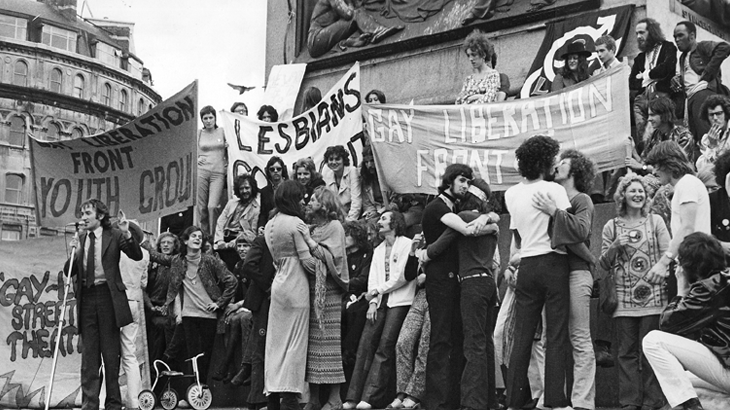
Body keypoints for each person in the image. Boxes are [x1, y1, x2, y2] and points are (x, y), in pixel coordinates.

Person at [504, 135, 572, 410]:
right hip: (553, 262)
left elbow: (518, 235)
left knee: (522, 334)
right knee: (554, 334)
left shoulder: (510, 194)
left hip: (527, 264)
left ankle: (513, 401)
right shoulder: (553, 190)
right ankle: (555, 401)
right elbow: (567, 224)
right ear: (545, 161)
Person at [420, 179, 500, 410]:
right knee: (485, 343)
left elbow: (437, 247)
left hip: (471, 284)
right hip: (488, 284)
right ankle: (489, 400)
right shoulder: (490, 221)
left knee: (472, 345)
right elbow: (494, 223)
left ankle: (472, 403)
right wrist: (490, 220)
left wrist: (423, 254)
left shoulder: (463, 217)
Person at [599, 174, 671, 410]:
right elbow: (604, 263)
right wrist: (615, 246)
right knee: (626, 352)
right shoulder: (612, 226)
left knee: (650, 349)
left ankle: (653, 400)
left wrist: (659, 271)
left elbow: (668, 253)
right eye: (633, 191)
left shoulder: (656, 221)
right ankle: (629, 401)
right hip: (623, 298)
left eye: (641, 191)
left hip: (654, 296)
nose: (638, 195)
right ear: (623, 196)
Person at [532, 150, 597, 410]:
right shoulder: (550, 196)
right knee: (550, 337)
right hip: (553, 273)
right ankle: (551, 397)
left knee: (579, 337)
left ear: (575, 171)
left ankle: (583, 402)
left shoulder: (582, 199)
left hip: (576, 273)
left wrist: (555, 212)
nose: (557, 165)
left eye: (564, 163)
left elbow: (579, 232)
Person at [64, 200, 143, 410]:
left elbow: (137, 254)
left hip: (108, 297)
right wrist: (75, 251)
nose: (83, 216)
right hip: (87, 298)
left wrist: (127, 233)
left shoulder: (115, 235)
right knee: (89, 356)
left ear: (100, 216)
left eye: (87, 212)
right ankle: (89, 404)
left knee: (110, 355)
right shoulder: (80, 238)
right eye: (82, 212)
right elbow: (69, 271)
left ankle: (113, 404)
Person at [643, 232, 730, 410]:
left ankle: (689, 407)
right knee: (683, 380)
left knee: (653, 340)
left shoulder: (708, 288)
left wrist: (681, 288)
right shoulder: (724, 279)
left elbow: (668, 325)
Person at [343, 211, 416, 410]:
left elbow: (402, 277)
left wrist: (376, 291)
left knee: (385, 346)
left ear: (395, 223)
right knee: (365, 344)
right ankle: (352, 397)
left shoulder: (407, 244)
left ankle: (369, 397)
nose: (379, 222)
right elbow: (373, 277)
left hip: (400, 301)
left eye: (384, 218)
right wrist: (373, 301)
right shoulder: (378, 248)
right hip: (380, 300)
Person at [148, 226, 237, 383]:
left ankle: (199, 390)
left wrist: (220, 303)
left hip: (208, 315)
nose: (198, 239)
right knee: (192, 355)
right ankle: (189, 389)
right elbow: (155, 255)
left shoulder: (210, 261)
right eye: (194, 236)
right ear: (185, 240)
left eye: (200, 237)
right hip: (188, 315)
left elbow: (232, 282)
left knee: (204, 355)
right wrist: (131, 233)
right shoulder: (177, 261)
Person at [263, 180, 317, 410]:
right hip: (297, 286)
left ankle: (273, 394)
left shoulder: (269, 224)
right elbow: (309, 264)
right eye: (301, 197)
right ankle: (290, 396)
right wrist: (323, 255)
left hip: (279, 284)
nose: (304, 200)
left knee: (275, 343)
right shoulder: (296, 223)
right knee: (295, 343)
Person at [298, 187, 350, 410]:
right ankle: (314, 399)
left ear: (325, 204)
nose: (308, 203)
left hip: (329, 291)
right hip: (311, 290)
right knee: (312, 346)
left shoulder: (335, 227)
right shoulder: (311, 227)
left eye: (313, 200)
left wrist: (309, 243)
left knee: (329, 344)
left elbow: (332, 258)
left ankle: (335, 398)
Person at [644, 141, 711, 285]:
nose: (654, 172)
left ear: (669, 164)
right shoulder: (684, 185)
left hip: (696, 264)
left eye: (656, 166)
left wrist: (664, 262)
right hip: (690, 263)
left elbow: (687, 228)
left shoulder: (687, 184)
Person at [235, 233, 276, 410]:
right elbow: (249, 265)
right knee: (261, 346)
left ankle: (247, 369)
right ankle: (256, 398)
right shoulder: (264, 239)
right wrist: (267, 284)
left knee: (261, 345)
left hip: (274, 298)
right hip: (263, 299)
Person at [672, 21, 730, 142]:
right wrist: (677, 80)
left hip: (702, 95)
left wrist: (706, 76)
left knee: (706, 136)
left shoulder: (702, 47)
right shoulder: (682, 58)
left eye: (680, 35)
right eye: (675, 37)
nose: (677, 40)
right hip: (690, 99)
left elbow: (724, 47)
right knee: (696, 139)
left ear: (692, 36)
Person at [213, 232, 255, 383]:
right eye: (240, 246)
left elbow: (256, 292)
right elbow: (236, 290)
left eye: (246, 246)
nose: (242, 249)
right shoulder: (238, 265)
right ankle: (229, 367)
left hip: (254, 307)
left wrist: (239, 304)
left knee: (242, 319)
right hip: (243, 304)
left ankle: (246, 367)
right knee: (227, 318)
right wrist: (229, 303)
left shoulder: (255, 264)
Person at [118, 221, 149, 410]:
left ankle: (108, 398)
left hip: (117, 301)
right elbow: (144, 283)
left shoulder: (115, 253)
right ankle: (134, 400)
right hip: (135, 302)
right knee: (130, 354)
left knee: (110, 354)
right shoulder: (144, 254)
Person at [629, 18, 677, 141]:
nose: (638, 36)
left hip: (659, 94)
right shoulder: (639, 58)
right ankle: (645, 156)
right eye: (636, 34)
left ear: (652, 32)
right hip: (641, 98)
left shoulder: (668, 47)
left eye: (642, 32)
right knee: (641, 134)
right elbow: (632, 82)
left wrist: (646, 74)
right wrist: (652, 76)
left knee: (652, 133)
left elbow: (667, 68)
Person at [144, 232, 184, 376]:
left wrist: (166, 307)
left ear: (175, 246)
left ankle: (164, 367)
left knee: (169, 328)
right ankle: (154, 370)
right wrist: (151, 306)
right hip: (151, 307)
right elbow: (143, 288)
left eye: (169, 243)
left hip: (169, 308)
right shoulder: (151, 265)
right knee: (157, 329)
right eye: (163, 242)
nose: (166, 245)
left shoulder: (176, 263)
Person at [307, 0, 404, 58]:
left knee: (357, 18)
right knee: (356, 15)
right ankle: (377, 31)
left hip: (323, 39)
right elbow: (347, 14)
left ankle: (350, 42)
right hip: (316, 39)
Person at [341, 220, 373, 375]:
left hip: (358, 295)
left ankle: (348, 354)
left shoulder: (367, 255)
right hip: (344, 293)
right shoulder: (343, 256)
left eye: (348, 235)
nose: (344, 238)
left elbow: (363, 279)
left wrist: (343, 283)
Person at [628, 97, 695, 170]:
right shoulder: (655, 135)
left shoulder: (683, 136)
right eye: (648, 115)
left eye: (652, 115)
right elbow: (645, 161)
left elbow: (676, 168)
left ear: (664, 114)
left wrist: (643, 167)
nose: (649, 119)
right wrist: (634, 152)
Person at [214, 174, 260, 270]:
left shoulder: (256, 209)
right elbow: (220, 222)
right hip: (223, 240)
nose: (244, 191)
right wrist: (219, 240)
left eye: (247, 188)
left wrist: (231, 244)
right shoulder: (231, 203)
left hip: (238, 243)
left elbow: (251, 233)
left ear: (253, 188)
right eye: (241, 188)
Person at [197, 105, 227, 239]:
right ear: (202, 120)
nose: (208, 121)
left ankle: (214, 237)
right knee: (201, 207)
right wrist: (196, 159)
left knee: (212, 206)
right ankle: (201, 236)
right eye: (205, 118)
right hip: (202, 171)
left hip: (218, 172)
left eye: (210, 117)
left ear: (215, 118)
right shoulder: (198, 133)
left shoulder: (222, 131)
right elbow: (190, 149)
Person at [455, 30, 505, 105]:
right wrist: (479, 96)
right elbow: (458, 102)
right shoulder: (469, 79)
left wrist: (469, 99)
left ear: (483, 55)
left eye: (474, 55)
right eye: (468, 55)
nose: (470, 59)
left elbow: (489, 99)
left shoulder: (492, 75)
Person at [322, 145, 362, 221]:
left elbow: (356, 201)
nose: (334, 162)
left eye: (337, 159)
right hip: (337, 219)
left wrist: (349, 221)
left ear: (344, 160)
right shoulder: (327, 175)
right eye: (331, 159)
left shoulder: (352, 171)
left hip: (354, 217)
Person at [696, 94, 730, 175]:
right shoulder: (706, 138)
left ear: (726, 114)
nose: (715, 118)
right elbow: (701, 168)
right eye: (711, 115)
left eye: (718, 113)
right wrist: (711, 147)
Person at [258, 156, 290, 231]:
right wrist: (261, 227)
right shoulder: (264, 191)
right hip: (269, 228)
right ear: (268, 171)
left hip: (287, 227)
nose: (275, 171)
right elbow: (263, 213)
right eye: (272, 169)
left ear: (283, 170)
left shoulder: (290, 188)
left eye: (278, 169)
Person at [361, 145, 386, 222]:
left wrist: (379, 212)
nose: (369, 165)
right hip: (375, 211)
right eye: (366, 162)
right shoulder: (365, 180)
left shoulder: (388, 176)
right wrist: (371, 212)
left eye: (372, 161)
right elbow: (367, 203)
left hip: (388, 211)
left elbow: (395, 203)